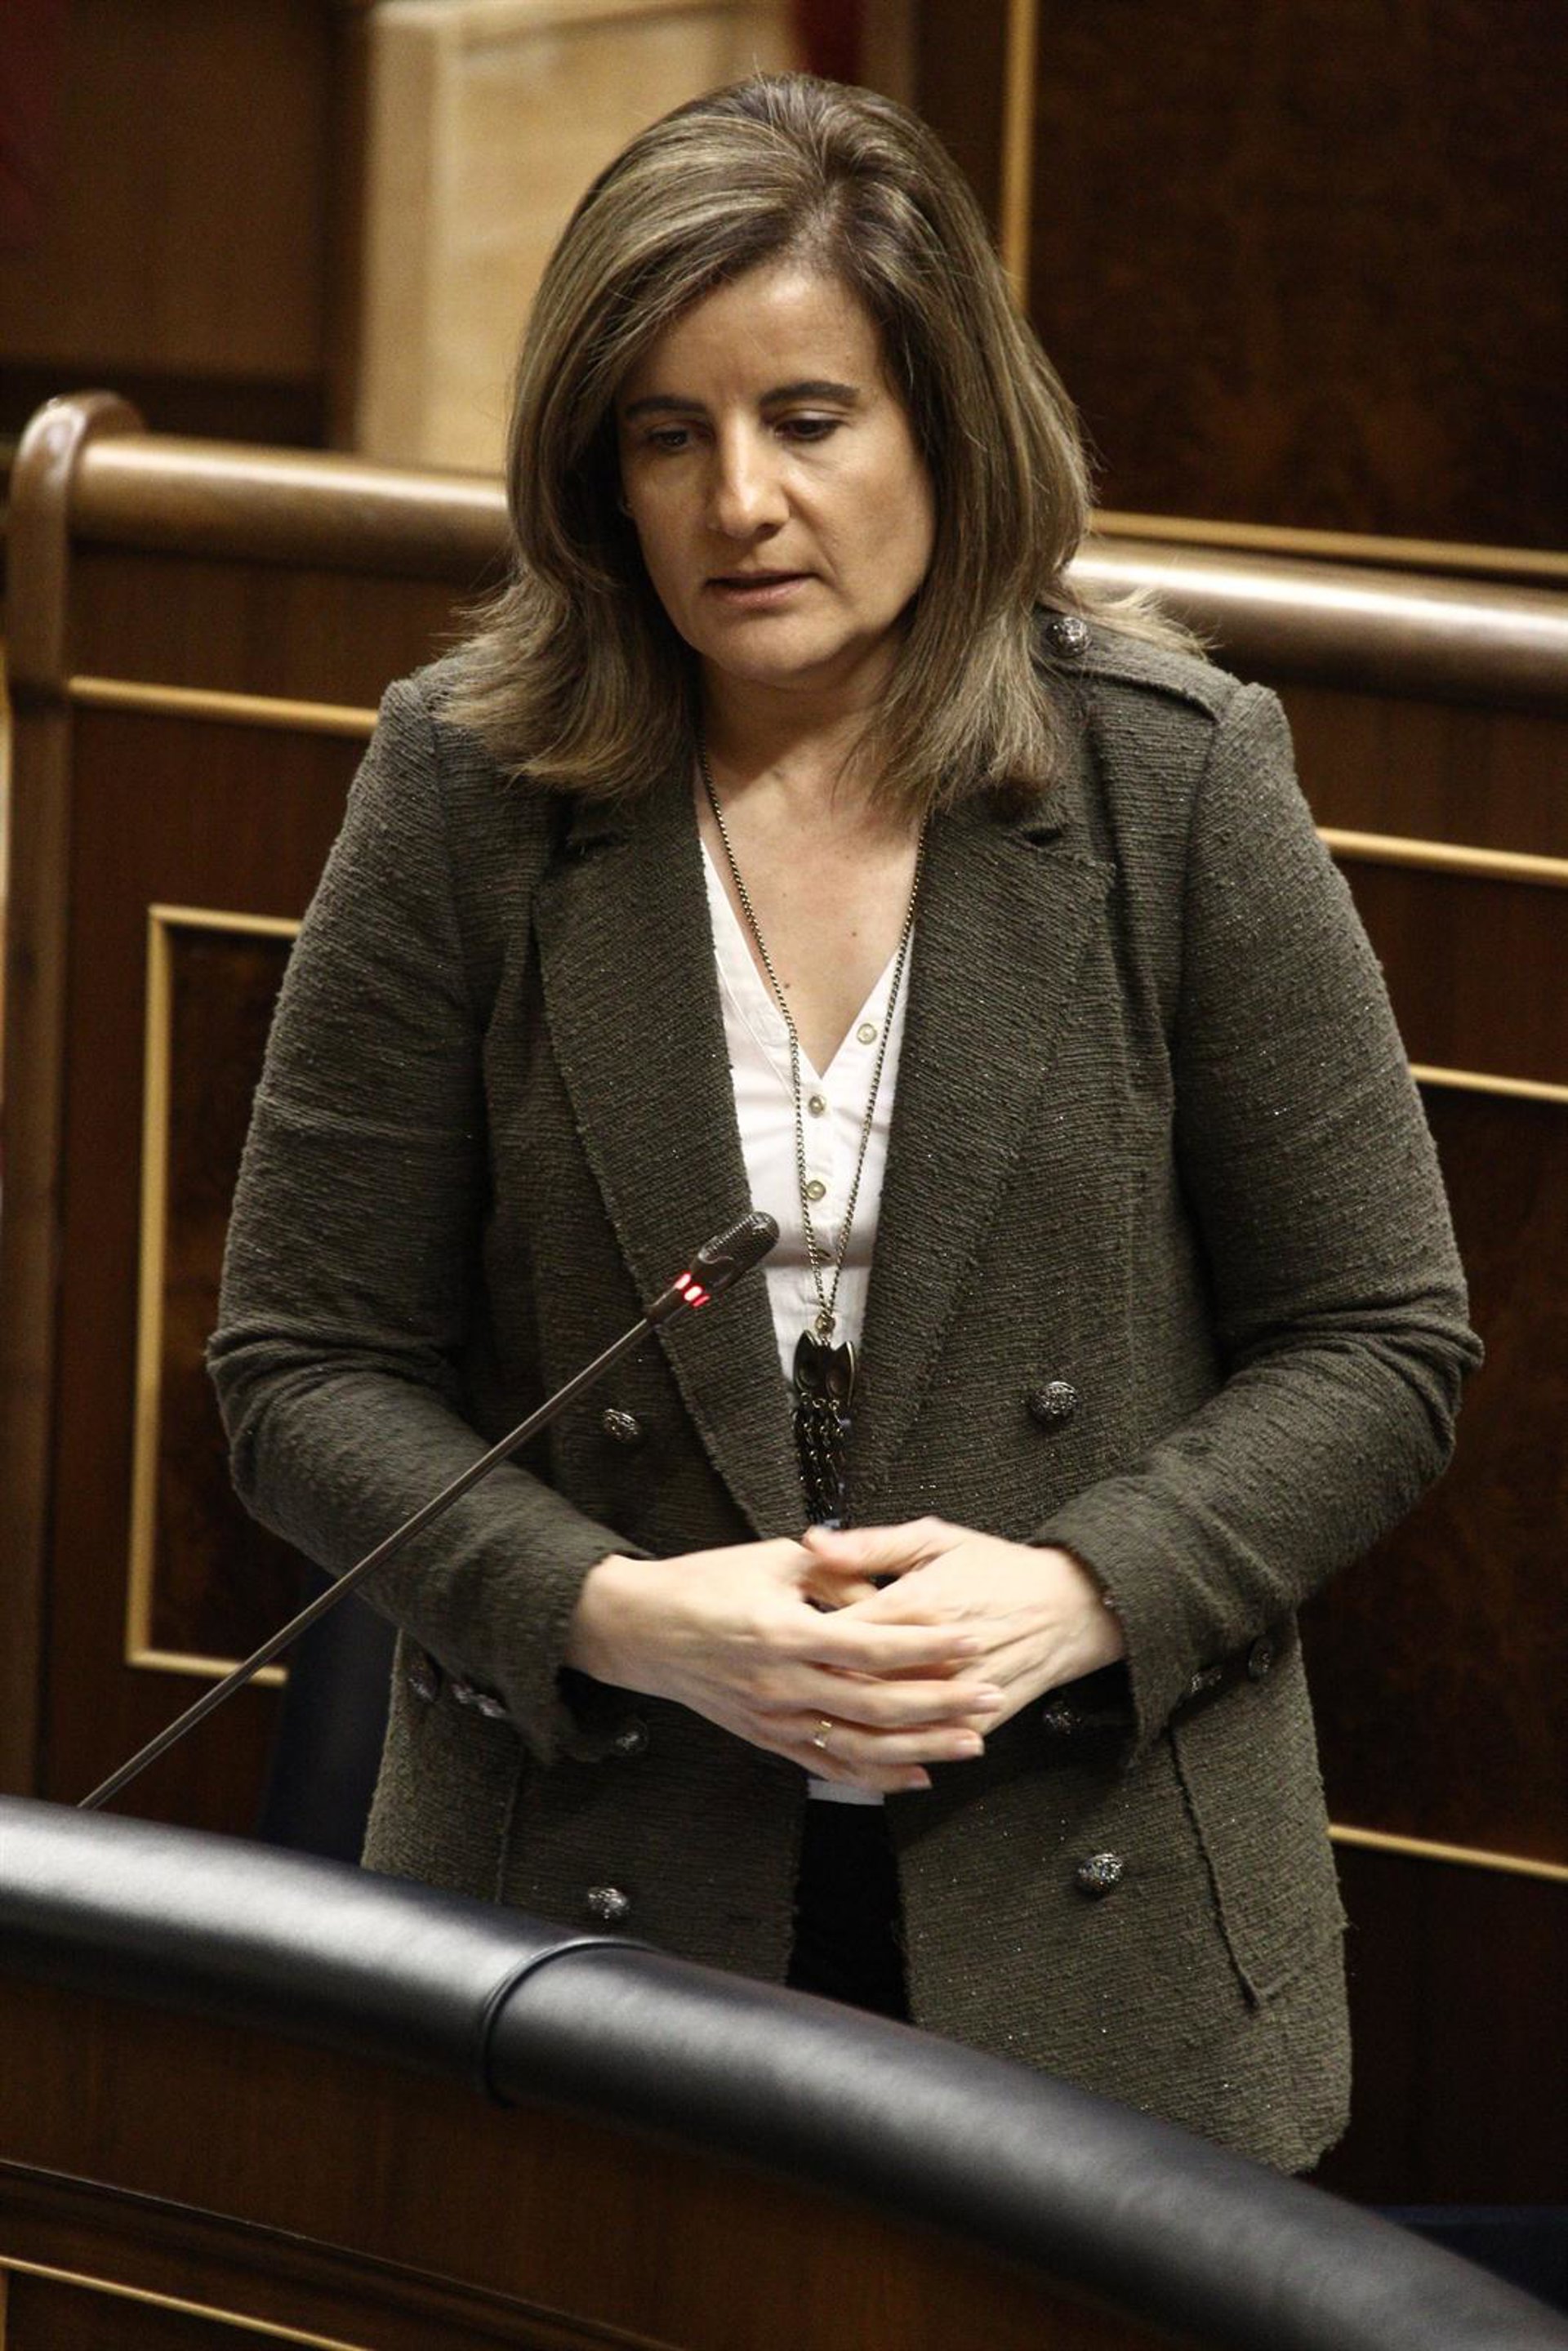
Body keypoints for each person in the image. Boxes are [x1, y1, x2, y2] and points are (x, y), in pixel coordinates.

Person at [210, 72, 1480, 2172]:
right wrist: (614, 1612)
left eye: (808, 419)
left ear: (944, 430)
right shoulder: (465, 790)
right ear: (599, 474)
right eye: (667, 435)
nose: (742, 504)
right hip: (591, 1882)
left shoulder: (1174, 777)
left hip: (1091, 1901)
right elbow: (299, 1369)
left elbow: (1384, 1339)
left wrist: (1085, 1586)